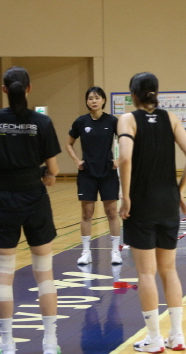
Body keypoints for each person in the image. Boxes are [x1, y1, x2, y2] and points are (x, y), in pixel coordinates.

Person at [0, 66, 62, 354]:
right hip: (35, 199)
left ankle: (7, 344)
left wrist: (1, 169)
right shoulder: (42, 121)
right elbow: (53, 171)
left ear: (4, 89)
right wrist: (44, 177)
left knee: (3, 275)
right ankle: (49, 343)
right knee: (45, 274)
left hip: (5, 200)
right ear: (29, 89)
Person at [118, 72, 186, 353]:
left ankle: (153, 338)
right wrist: (179, 189)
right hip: (167, 204)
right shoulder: (170, 119)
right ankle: (176, 335)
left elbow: (125, 157)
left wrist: (125, 196)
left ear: (133, 95)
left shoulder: (128, 119)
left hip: (141, 203)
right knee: (169, 269)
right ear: (157, 92)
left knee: (146, 272)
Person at [65, 87, 122, 266]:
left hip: (108, 173)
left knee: (112, 213)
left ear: (103, 100)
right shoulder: (81, 121)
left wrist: (119, 160)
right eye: (90, 98)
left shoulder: (112, 121)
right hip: (87, 174)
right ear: (87, 102)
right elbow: (68, 144)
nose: (94, 101)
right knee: (87, 213)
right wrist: (76, 160)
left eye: (97, 98)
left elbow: (128, 141)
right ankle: (86, 252)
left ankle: (115, 252)